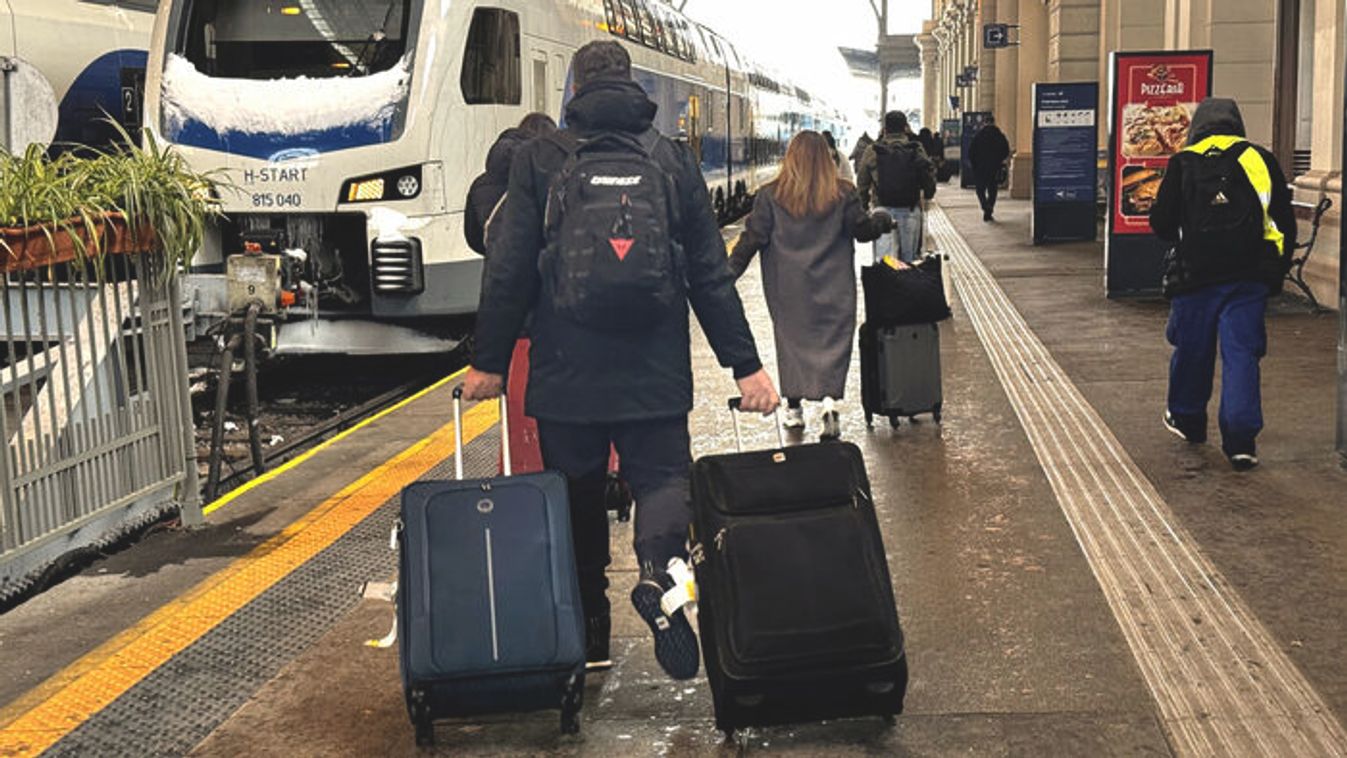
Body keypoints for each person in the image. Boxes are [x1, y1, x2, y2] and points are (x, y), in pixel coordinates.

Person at [462, 40, 780, 681]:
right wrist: (746, 366)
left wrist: (489, 362)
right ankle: (660, 573)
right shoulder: (671, 159)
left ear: (575, 89)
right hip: (654, 371)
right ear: (635, 88)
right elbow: (709, 275)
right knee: (662, 481)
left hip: (566, 372)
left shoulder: (540, 159)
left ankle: (591, 633)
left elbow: (509, 270)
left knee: (575, 496)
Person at [1148, 98, 1295, 471]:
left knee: (1192, 349)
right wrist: (1275, 272)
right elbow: (1283, 220)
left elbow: (1162, 224)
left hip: (1195, 275)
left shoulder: (1183, 161)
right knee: (1242, 353)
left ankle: (1187, 418)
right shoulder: (1259, 159)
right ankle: (1241, 440)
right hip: (1248, 277)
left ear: (1198, 126)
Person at [729, 131, 894, 439]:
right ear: (826, 159)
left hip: (788, 290)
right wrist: (882, 220)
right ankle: (829, 403)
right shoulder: (843, 193)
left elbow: (751, 239)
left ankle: (794, 410)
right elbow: (862, 231)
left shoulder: (770, 195)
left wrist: (726, 277)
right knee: (832, 344)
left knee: (791, 345)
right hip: (835, 287)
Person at [463, 113, 558, 255]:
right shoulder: (551, 180)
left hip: (498, 262)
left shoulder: (480, 184)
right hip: (540, 262)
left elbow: (473, 237)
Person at [857, 111, 936, 264]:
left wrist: (864, 207)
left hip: (881, 212)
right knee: (909, 261)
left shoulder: (873, 150)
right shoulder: (916, 148)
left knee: (885, 261)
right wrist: (928, 194)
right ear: (905, 128)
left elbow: (862, 183)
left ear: (885, 129)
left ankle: (887, 278)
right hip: (910, 210)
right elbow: (928, 175)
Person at [968, 116, 1010, 222]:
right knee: (992, 190)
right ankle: (989, 210)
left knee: (980, 190)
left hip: (980, 168)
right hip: (994, 167)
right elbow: (1006, 150)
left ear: (984, 123)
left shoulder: (978, 136)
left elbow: (971, 152)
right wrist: (999, 160)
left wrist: (975, 165)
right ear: (993, 122)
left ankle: (985, 205)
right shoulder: (999, 135)